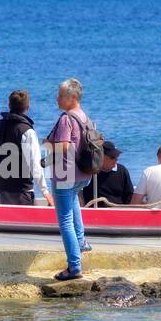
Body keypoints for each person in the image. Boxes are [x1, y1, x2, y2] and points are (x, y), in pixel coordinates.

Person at [45, 78, 95, 280]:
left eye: (60, 95)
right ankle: (82, 242)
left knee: (65, 221)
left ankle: (74, 267)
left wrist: (47, 144)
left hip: (66, 174)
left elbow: (64, 146)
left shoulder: (66, 118)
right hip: (83, 174)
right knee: (74, 204)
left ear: (72, 98)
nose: (57, 99)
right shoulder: (84, 117)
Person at [0, 89, 52, 207]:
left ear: (9, 105)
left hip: (1, 187)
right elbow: (35, 164)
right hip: (22, 191)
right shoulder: (27, 131)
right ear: (28, 107)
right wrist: (45, 192)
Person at [81, 141, 134, 205]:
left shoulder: (122, 171)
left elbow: (129, 195)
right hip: (94, 210)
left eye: (117, 156)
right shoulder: (90, 171)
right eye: (112, 157)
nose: (116, 159)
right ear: (101, 157)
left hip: (118, 210)